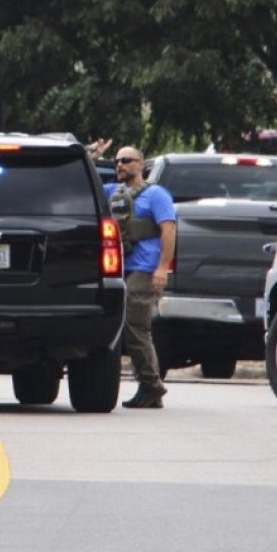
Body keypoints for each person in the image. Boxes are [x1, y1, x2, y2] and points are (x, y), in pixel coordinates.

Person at [103, 145, 176, 409]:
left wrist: (161, 268)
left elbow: (168, 231)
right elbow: (83, 186)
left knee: (136, 328)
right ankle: (149, 387)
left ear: (140, 164)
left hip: (144, 269)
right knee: (128, 329)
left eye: (126, 160)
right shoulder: (112, 192)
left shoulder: (156, 195)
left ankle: (151, 386)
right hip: (119, 269)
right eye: (117, 161)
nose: (120, 165)